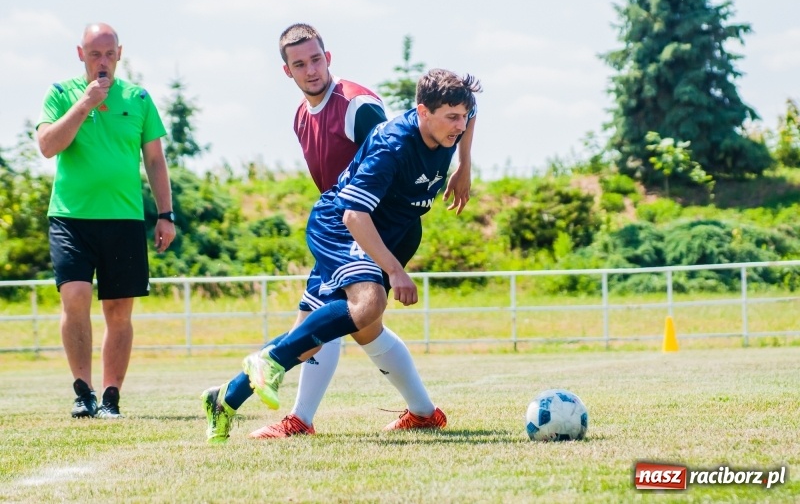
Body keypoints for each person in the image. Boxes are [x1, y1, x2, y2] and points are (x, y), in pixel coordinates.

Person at [201, 24, 476, 442]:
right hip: (348, 224)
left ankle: (227, 399)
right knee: (362, 310)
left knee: (327, 330)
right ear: (287, 71)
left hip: (379, 225)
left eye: (315, 59)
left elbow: (462, 118)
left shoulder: (361, 108)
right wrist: (390, 268)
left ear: (328, 58)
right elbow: (360, 198)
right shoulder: (379, 137)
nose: (310, 70)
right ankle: (297, 409)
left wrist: (463, 167)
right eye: (299, 63)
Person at [36, 23, 176, 419]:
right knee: (75, 296)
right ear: (80, 54)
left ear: (120, 53)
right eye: (94, 54)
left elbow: (154, 161)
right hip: (70, 217)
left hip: (124, 218)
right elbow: (47, 147)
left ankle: (111, 397)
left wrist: (165, 215)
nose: (103, 62)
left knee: (119, 309)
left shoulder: (139, 97)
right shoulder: (61, 93)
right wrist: (83, 105)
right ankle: (83, 391)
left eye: (109, 54)